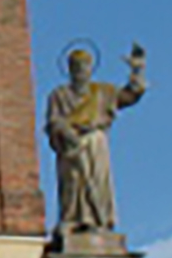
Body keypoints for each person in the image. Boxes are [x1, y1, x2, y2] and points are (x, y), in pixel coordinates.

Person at [46, 43, 144, 235]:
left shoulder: (102, 92)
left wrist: (137, 70)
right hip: (71, 146)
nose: (81, 70)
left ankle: (97, 219)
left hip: (95, 141)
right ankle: (72, 218)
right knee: (73, 182)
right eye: (76, 66)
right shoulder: (59, 95)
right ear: (70, 69)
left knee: (97, 180)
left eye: (84, 66)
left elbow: (128, 96)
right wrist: (65, 132)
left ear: (91, 68)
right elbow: (53, 121)